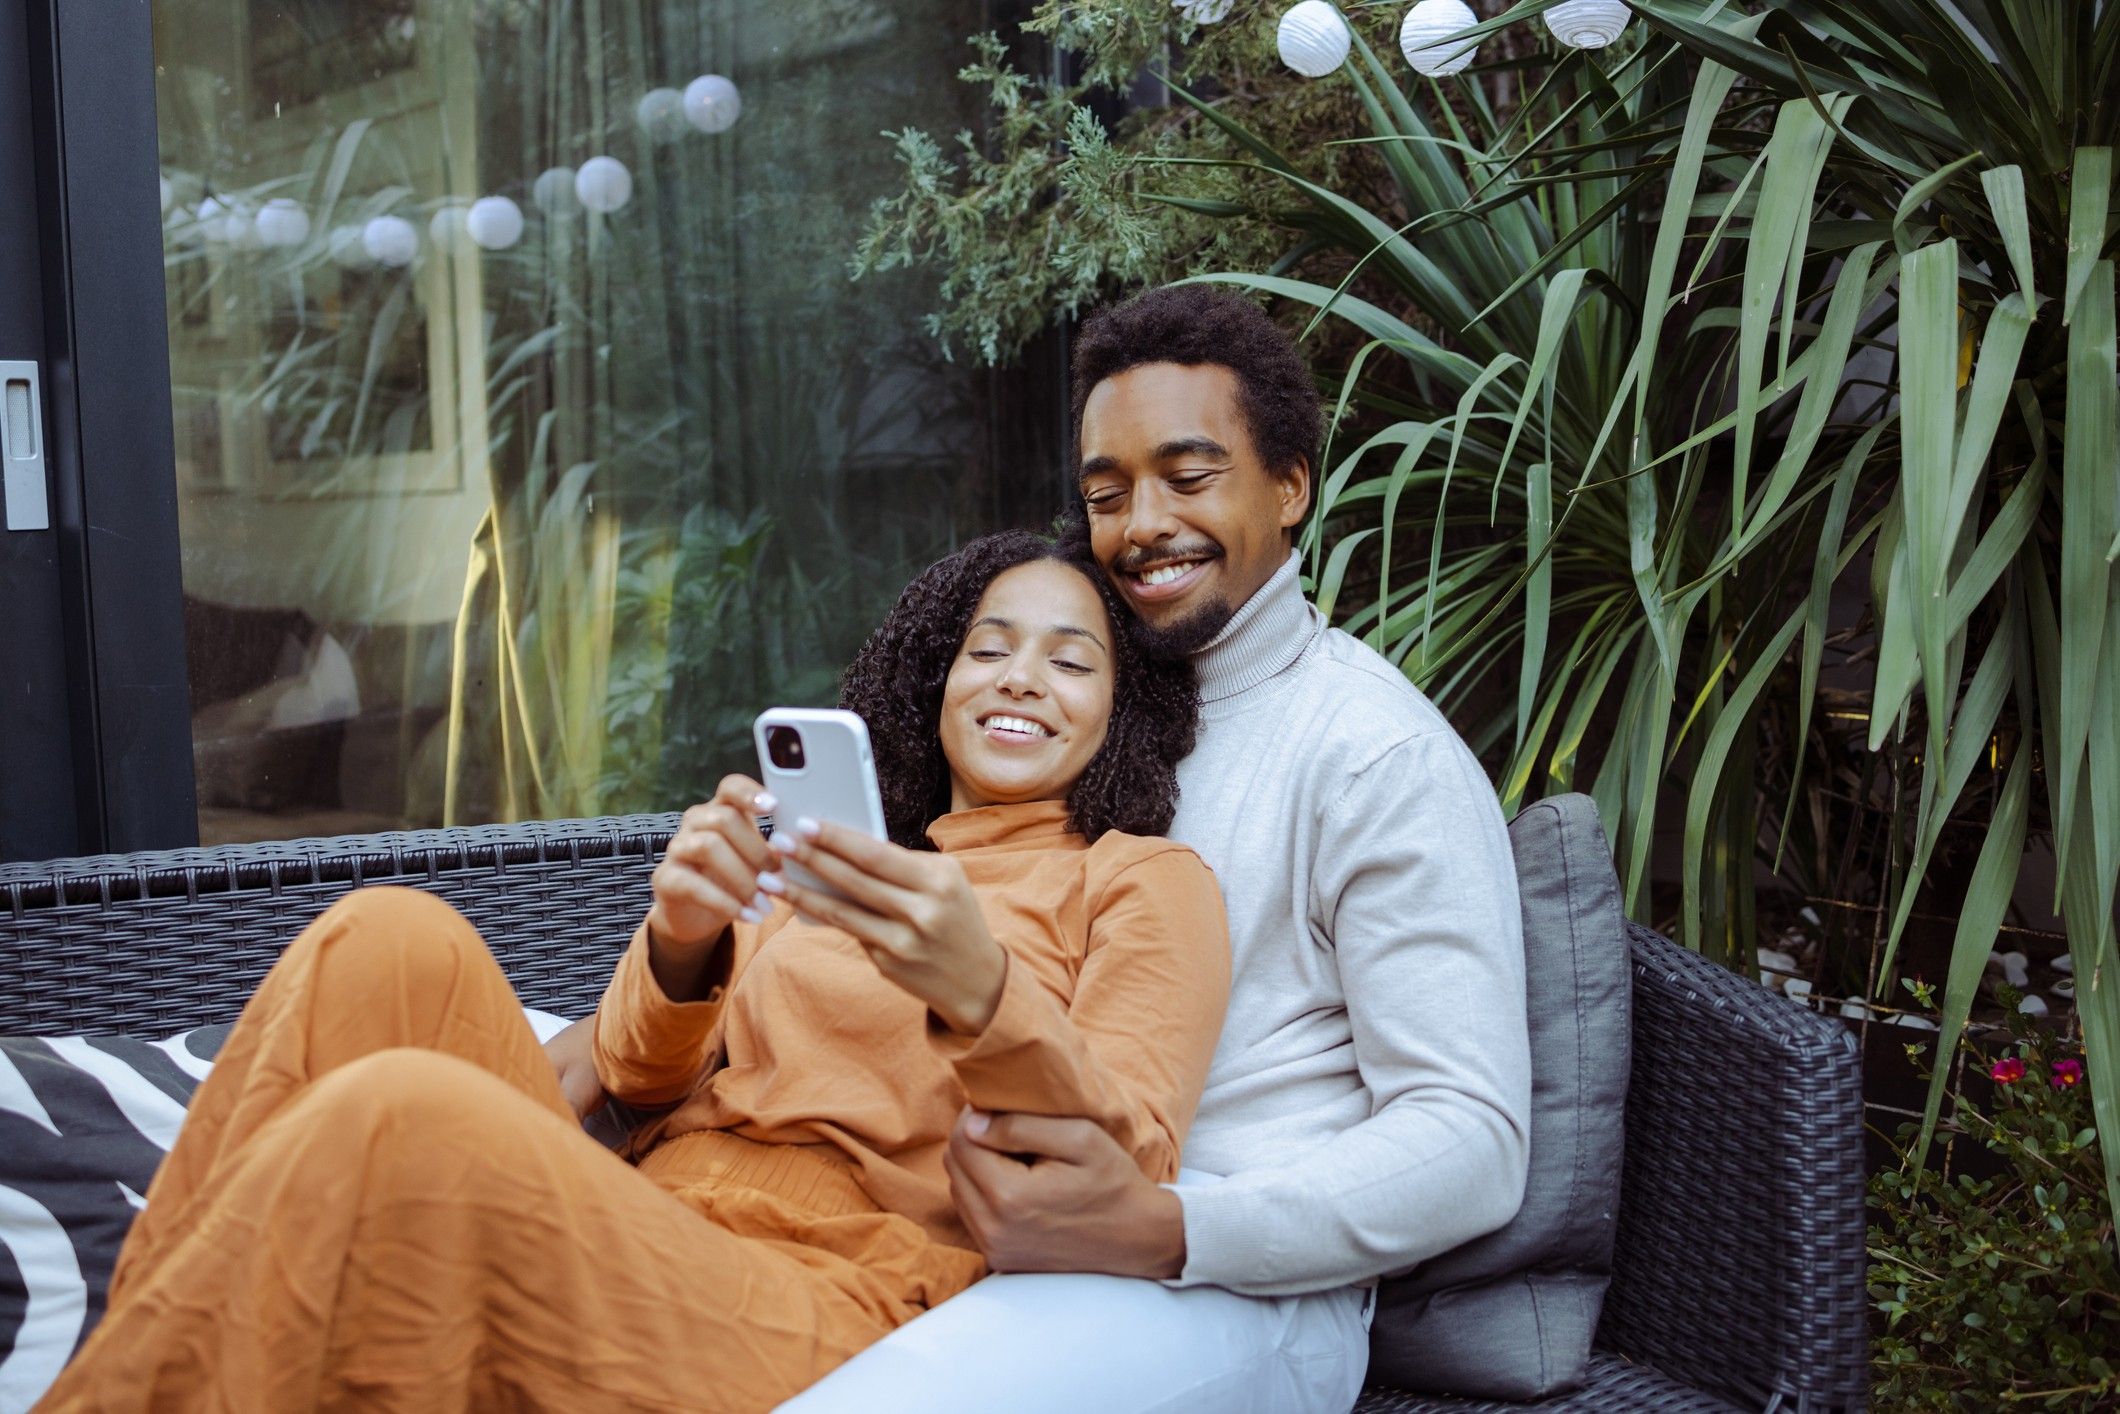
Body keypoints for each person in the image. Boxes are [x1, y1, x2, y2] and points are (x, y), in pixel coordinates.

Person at [37, 532, 1230, 1414]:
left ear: (1119, 711)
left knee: (406, 1118)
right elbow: (632, 1079)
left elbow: (1129, 1154)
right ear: (938, 679)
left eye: (1070, 663)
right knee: (386, 936)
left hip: (833, 1280)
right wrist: (682, 939)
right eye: (989, 648)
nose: (1018, 678)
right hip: (649, 1201)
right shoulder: (845, 853)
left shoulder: (1136, 877)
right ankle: (138, 1364)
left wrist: (979, 989)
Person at [787, 284, 1532, 1413]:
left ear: (1290, 486)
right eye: (1106, 493)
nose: (1140, 526)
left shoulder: (1373, 755)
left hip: (1233, 1280)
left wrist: (1166, 1226)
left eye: (1188, 478)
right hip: (983, 1205)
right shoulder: (1079, 696)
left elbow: (1472, 1137)